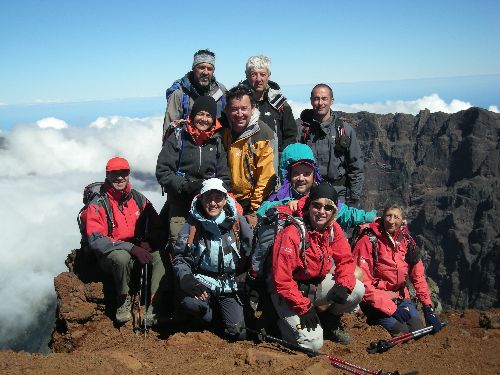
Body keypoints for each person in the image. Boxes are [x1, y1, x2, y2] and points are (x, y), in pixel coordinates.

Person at [269, 182, 365, 351]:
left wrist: (343, 284)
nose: (322, 211)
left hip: (312, 286)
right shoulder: (292, 233)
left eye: (328, 207)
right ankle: (279, 325)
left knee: (357, 289)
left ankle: (329, 322)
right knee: (313, 344)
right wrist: (304, 308)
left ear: (333, 211)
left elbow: (345, 260)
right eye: (317, 205)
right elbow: (282, 280)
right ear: (309, 205)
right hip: (286, 293)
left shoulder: (332, 229)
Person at [82, 157, 166, 324]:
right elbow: (96, 240)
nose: (119, 177)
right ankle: (123, 300)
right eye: (115, 174)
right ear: (107, 175)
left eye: (124, 173)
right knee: (121, 257)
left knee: (159, 256)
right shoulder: (98, 203)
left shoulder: (138, 199)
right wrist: (131, 248)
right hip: (110, 256)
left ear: (128, 175)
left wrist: (149, 242)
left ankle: (154, 305)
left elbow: (157, 226)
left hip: (136, 251)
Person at [172, 178, 253, 341]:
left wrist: (249, 275)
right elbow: (180, 257)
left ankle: (220, 312)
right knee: (193, 304)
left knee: (238, 333)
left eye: (218, 198)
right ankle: (207, 315)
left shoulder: (237, 221)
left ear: (225, 199)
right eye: (208, 198)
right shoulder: (192, 224)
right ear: (201, 199)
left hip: (229, 284)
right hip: (202, 281)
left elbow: (253, 249)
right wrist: (188, 280)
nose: (213, 203)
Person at [352, 204, 442, 336]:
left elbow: (418, 276)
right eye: (388, 216)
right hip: (376, 300)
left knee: (418, 331)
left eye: (396, 217)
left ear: (402, 221)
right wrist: (391, 309)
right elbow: (362, 282)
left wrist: (428, 308)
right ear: (382, 217)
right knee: (403, 332)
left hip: (400, 297)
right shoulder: (369, 240)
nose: (391, 221)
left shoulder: (406, 242)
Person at [156, 96, 230, 247]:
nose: (204, 119)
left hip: (209, 204)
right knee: (179, 245)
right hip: (180, 204)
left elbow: (224, 177)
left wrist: (209, 189)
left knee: (207, 246)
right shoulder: (178, 137)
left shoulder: (216, 141)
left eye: (209, 115)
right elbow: (163, 171)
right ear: (193, 115)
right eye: (200, 114)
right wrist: (185, 186)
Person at [257, 143, 377, 230]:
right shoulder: (280, 197)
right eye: (296, 173)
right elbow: (262, 211)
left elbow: (344, 213)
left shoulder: (321, 195)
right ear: (287, 176)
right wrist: (287, 204)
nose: (301, 178)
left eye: (307, 174)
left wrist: (370, 217)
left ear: (314, 175)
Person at [299, 84, 364, 204]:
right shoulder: (302, 131)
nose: (320, 103)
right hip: (310, 193)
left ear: (331, 101)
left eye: (324, 98)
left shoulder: (345, 130)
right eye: (316, 98)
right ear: (311, 101)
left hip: (338, 194)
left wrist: (354, 200)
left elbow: (356, 167)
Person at [222, 85, 277, 226]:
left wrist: (254, 210)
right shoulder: (223, 132)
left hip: (252, 203)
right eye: (234, 109)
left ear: (253, 108)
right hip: (226, 198)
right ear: (227, 110)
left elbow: (266, 178)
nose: (239, 113)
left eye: (244, 108)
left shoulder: (264, 134)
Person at [162, 49, 227, 143]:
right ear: (193, 68)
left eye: (209, 69)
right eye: (201, 67)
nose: (205, 72)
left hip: (215, 151)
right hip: (186, 152)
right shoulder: (179, 94)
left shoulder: (221, 92)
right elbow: (169, 129)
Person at [240, 55, 297, 152]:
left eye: (262, 74)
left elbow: (291, 135)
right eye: (254, 74)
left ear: (269, 75)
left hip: (274, 162)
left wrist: (279, 157)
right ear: (246, 74)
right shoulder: (237, 102)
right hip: (244, 161)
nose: (258, 79)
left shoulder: (280, 104)